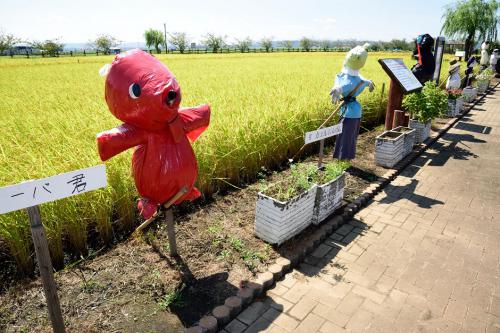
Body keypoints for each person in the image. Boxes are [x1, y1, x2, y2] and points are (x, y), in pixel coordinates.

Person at [330, 43, 374, 161]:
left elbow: (345, 85)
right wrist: (369, 82)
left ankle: (343, 159)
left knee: (345, 135)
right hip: (355, 111)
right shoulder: (359, 78)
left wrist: (337, 89)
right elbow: (363, 81)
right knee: (350, 136)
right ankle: (345, 157)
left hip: (348, 112)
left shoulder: (349, 78)